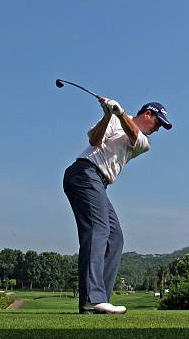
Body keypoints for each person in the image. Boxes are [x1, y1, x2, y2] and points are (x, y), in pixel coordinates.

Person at [63, 99, 172, 314]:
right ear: (148, 113)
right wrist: (107, 115)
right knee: (98, 230)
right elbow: (94, 140)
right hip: (84, 172)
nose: (157, 129)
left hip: (98, 182)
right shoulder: (113, 119)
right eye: (157, 124)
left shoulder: (143, 142)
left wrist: (120, 113)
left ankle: (98, 299)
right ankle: (93, 299)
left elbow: (133, 134)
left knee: (115, 238)